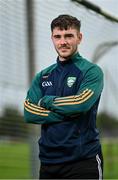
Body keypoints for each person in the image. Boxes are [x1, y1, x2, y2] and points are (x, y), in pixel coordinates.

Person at [24, 14, 104, 179]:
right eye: (57, 37)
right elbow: (29, 112)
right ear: (52, 38)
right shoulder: (43, 76)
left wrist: (46, 101)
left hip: (83, 161)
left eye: (69, 36)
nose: (63, 42)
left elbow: (81, 103)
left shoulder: (91, 71)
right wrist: (68, 112)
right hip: (48, 163)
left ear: (79, 38)